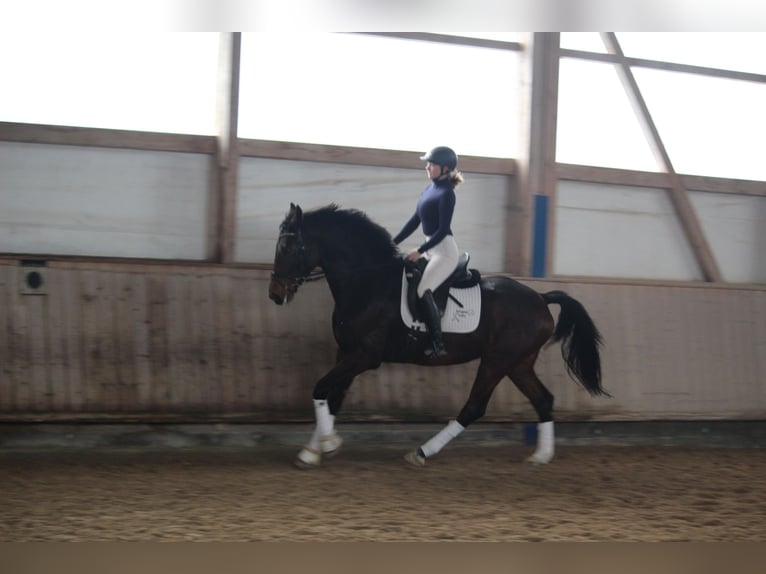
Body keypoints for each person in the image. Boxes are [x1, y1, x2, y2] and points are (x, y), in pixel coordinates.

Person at [393, 146, 463, 357]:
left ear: (444, 168)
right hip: (432, 249)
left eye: (430, 164)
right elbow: (414, 221)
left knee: (423, 289)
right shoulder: (428, 190)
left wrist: (420, 250)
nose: (427, 167)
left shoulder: (447, 194)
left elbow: (442, 231)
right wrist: (391, 242)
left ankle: (437, 343)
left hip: (445, 252)